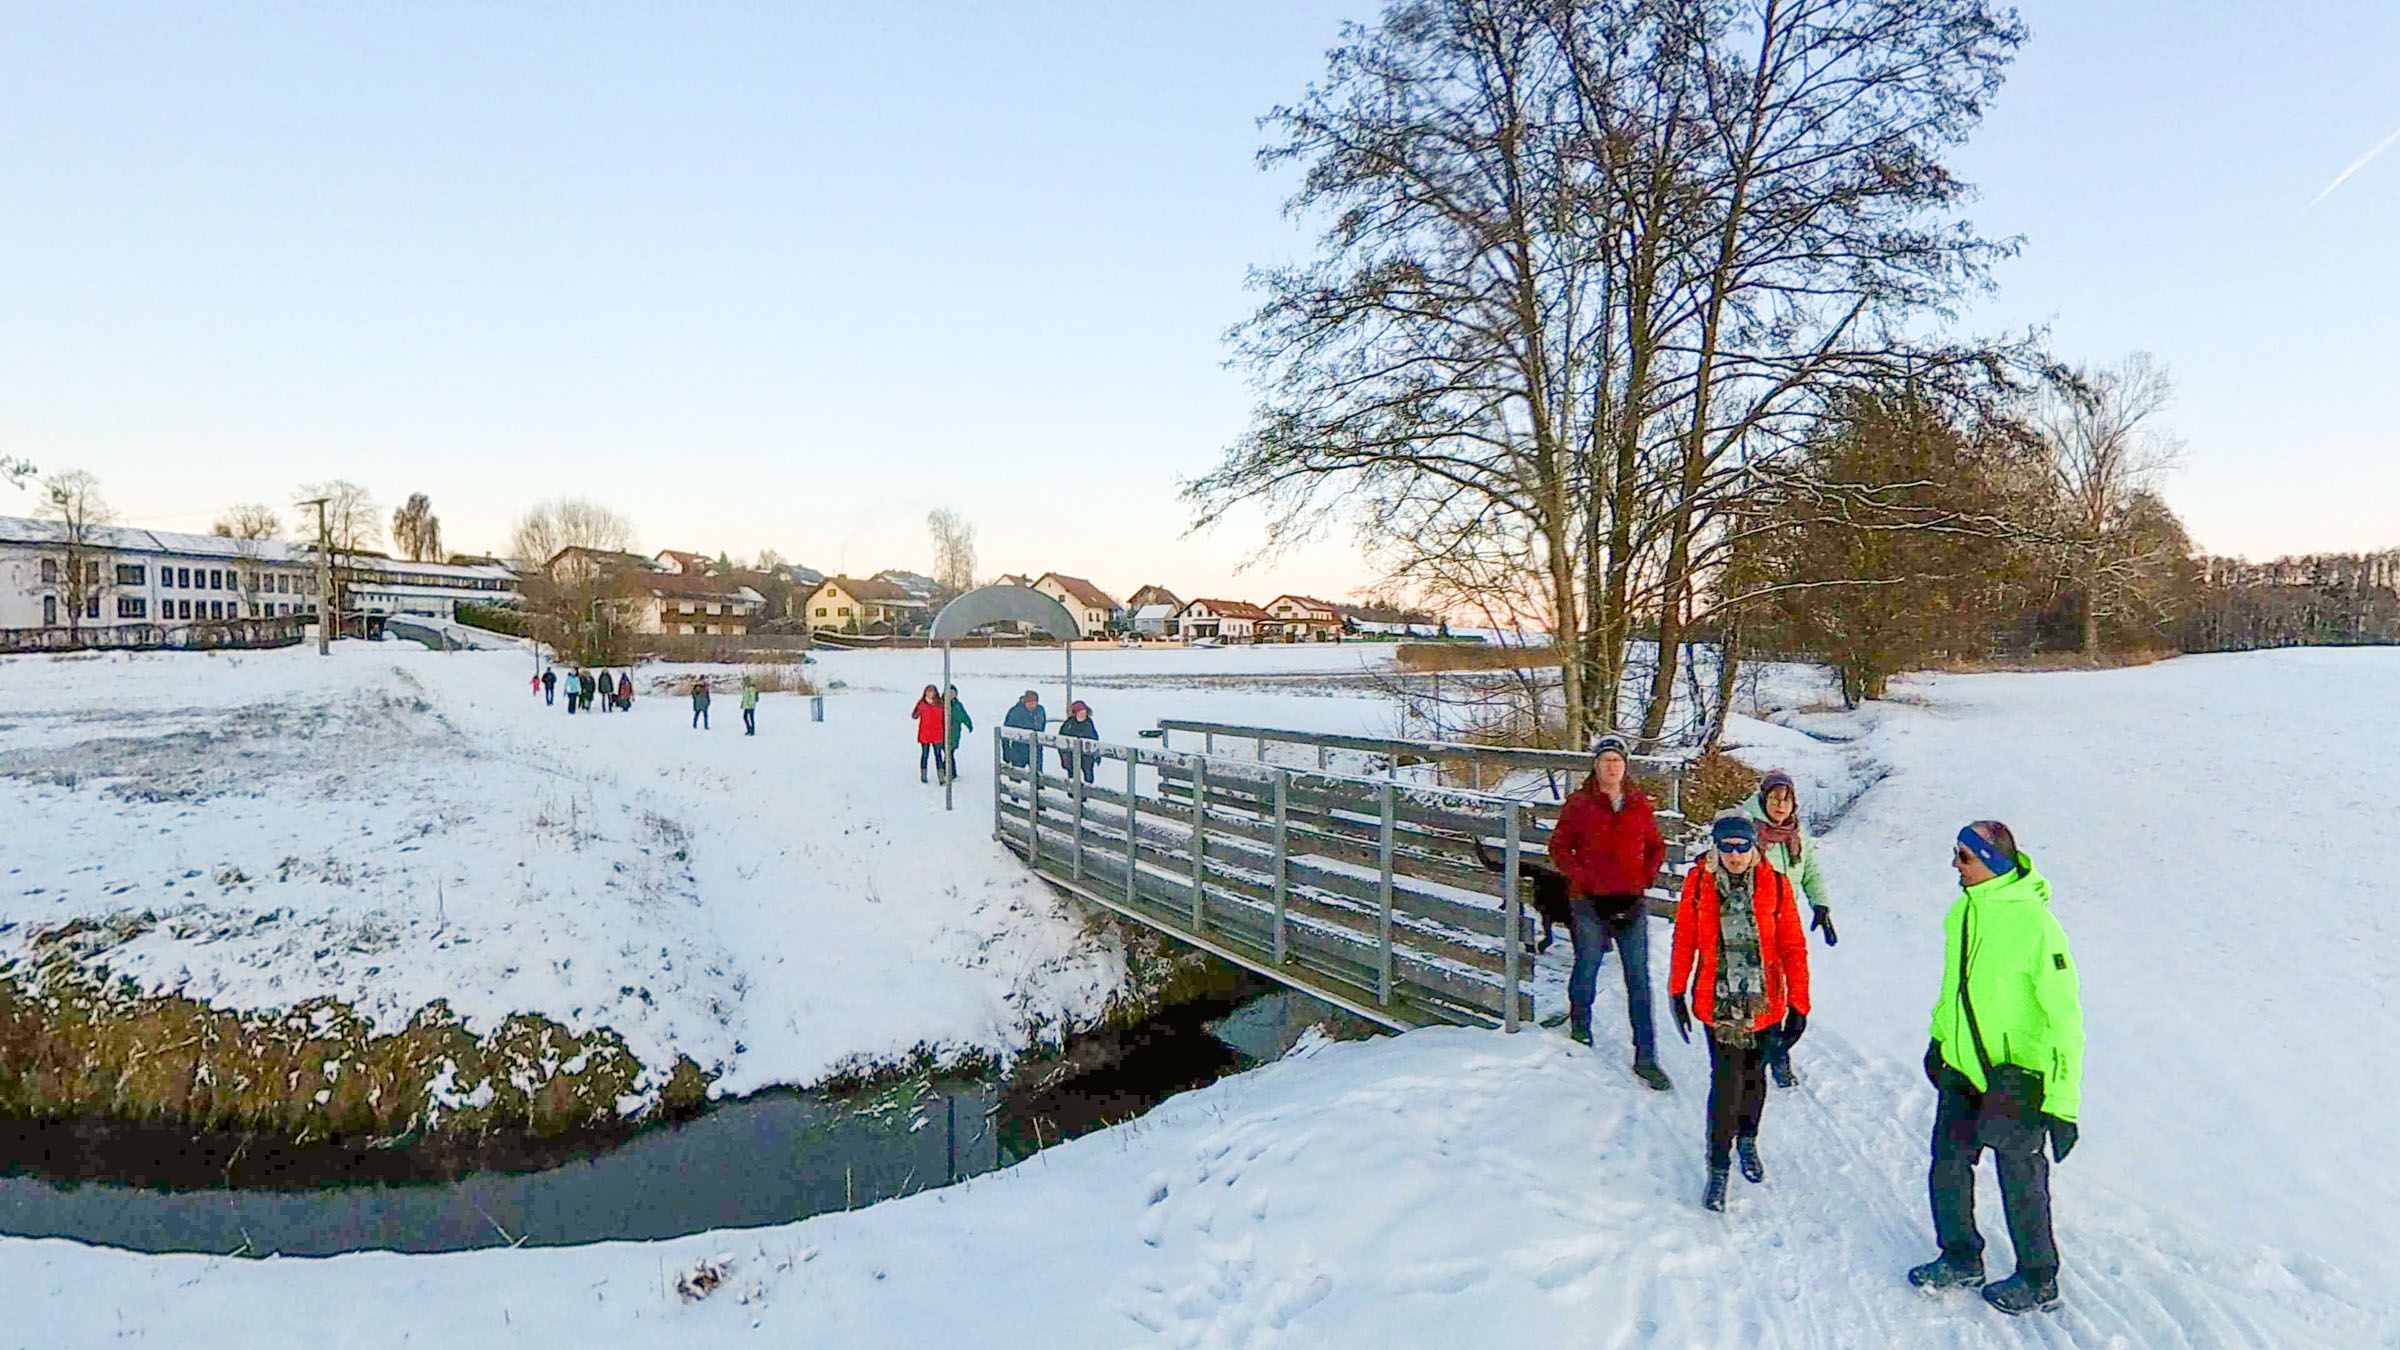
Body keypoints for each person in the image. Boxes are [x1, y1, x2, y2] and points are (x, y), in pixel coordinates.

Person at [1907, 820, 2084, 1317]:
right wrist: (1940, 1040)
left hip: (2017, 1081)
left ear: (1995, 862)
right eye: (1955, 853)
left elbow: (2066, 1019)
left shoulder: (2036, 926)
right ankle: (1961, 1257)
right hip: (1962, 1069)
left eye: (1965, 857)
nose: (1955, 865)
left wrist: (2064, 1104)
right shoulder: (1962, 910)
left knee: (2021, 1179)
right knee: (1947, 1165)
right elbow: (1954, 988)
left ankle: (2038, 1278)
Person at [1667, 812, 1811, 1212]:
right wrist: (1676, 989)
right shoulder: (1699, 885)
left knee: (1755, 1078)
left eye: (1741, 847)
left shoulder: (1777, 886)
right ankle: (1718, 1167)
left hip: (1765, 1005)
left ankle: (1748, 1140)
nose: (1734, 855)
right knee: (1726, 1083)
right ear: (1716, 847)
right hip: (1718, 1005)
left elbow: (1793, 947)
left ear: (1754, 848)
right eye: (1726, 847)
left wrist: (1800, 1004)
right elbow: (1684, 938)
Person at [1545, 733, 1671, 1089]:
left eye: (1617, 760)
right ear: (1596, 765)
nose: (1612, 766)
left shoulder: (1637, 803)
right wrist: (1582, 878)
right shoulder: (1579, 804)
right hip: (1589, 902)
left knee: (1639, 978)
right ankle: (1580, 1025)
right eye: (1605, 760)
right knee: (1587, 964)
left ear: (1625, 766)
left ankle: (1646, 1057)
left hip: (1631, 902)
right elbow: (1559, 846)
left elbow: (1655, 846)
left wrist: (1645, 876)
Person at [1742, 769, 1836, 1087]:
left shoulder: (1798, 835)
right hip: (1753, 925)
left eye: (1787, 799)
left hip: (1787, 925)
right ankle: (1757, 1052)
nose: (1780, 805)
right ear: (1763, 799)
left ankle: (1778, 1052)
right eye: (1774, 798)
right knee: (1758, 990)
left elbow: (1810, 872)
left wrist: (1820, 905)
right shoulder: (1748, 830)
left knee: (1781, 991)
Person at [1001, 689, 1047, 770]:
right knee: (1016, 773)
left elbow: (1042, 726)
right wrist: (1007, 753)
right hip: (1018, 749)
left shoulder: (1040, 710)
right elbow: (1006, 732)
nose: (1033, 705)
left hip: (1036, 748)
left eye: (1035, 703)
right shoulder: (1015, 712)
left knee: (1037, 774)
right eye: (1030, 703)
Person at [912, 685, 948, 782]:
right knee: (925, 755)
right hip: (925, 734)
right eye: (928, 691)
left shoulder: (941, 704)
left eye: (931, 691)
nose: (929, 693)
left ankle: (941, 776)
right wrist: (918, 707)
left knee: (938, 755)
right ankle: (923, 775)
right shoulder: (922, 704)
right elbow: (914, 716)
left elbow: (946, 717)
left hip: (937, 734)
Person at [1057, 700, 1098, 783]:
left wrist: (1096, 754)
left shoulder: (1089, 723)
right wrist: (1064, 755)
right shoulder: (1068, 724)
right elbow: (1061, 739)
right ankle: (1072, 792)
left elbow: (1095, 738)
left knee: (1088, 775)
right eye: (1080, 713)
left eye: (1084, 712)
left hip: (1087, 755)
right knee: (1072, 774)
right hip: (1071, 755)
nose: (1083, 715)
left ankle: (1088, 792)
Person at [943, 686, 973, 783]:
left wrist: (969, 724)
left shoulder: (957, 705)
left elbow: (963, 715)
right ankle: (948, 772)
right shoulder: (941, 704)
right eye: (949, 693)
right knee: (948, 752)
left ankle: (950, 772)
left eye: (953, 693)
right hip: (942, 732)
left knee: (950, 752)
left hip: (954, 732)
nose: (951, 695)